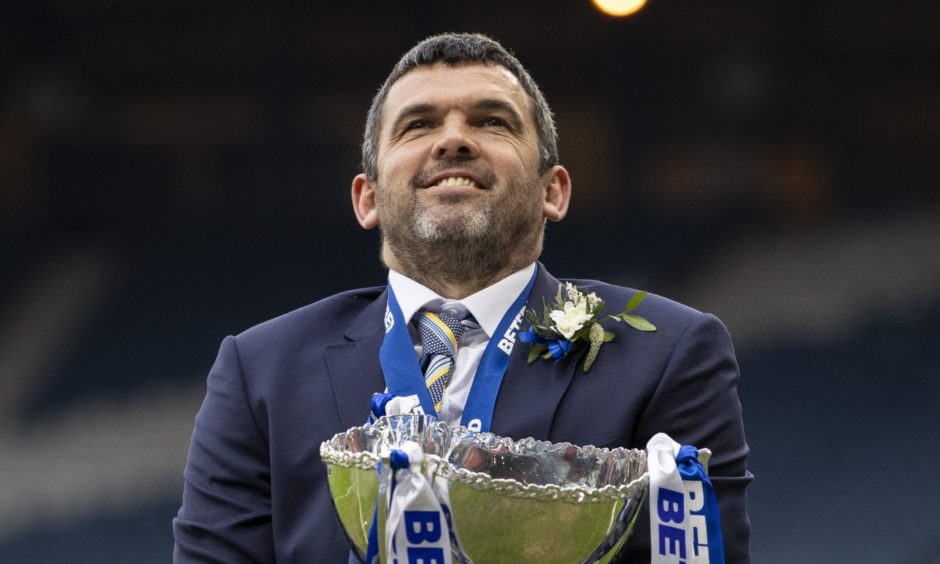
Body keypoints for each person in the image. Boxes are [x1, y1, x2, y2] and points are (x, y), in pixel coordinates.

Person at [173, 33, 751, 563]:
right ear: (366, 199)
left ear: (553, 191)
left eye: (492, 121)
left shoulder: (669, 354)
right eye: (418, 125)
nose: (453, 140)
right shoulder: (260, 374)